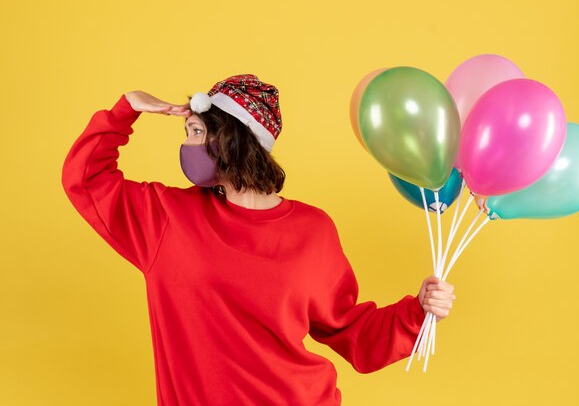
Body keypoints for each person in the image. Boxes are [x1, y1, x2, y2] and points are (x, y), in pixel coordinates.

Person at [61, 74, 456, 405]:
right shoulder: (166, 217)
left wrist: (416, 312)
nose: (187, 145)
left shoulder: (313, 230)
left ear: (233, 138)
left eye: (196, 131)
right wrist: (126, 108)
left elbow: (351, 330)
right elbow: (85, 178)